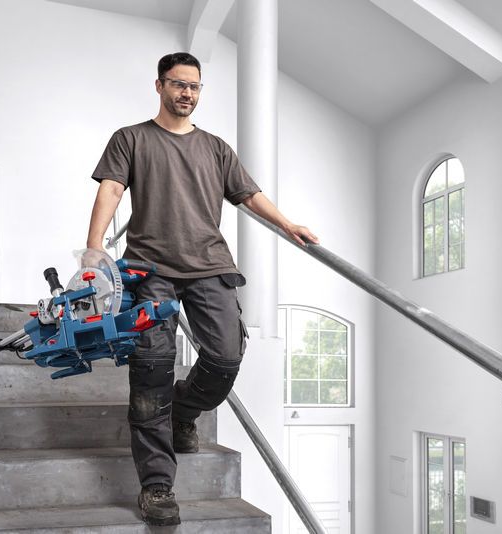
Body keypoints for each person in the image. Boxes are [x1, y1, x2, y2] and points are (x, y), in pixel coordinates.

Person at [86, 52, 318, 526]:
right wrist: (95, 250)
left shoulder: (215, 147)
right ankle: (156, 486)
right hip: (149, 270)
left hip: (210, 265)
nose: (187, 93)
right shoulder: (131, 139)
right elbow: (111, 188)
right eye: (178, 84)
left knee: (226, 358)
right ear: (159, 86)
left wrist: (287, 224)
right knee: (150, 372)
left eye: (194, 86)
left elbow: (248, 194)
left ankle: (184, 409)